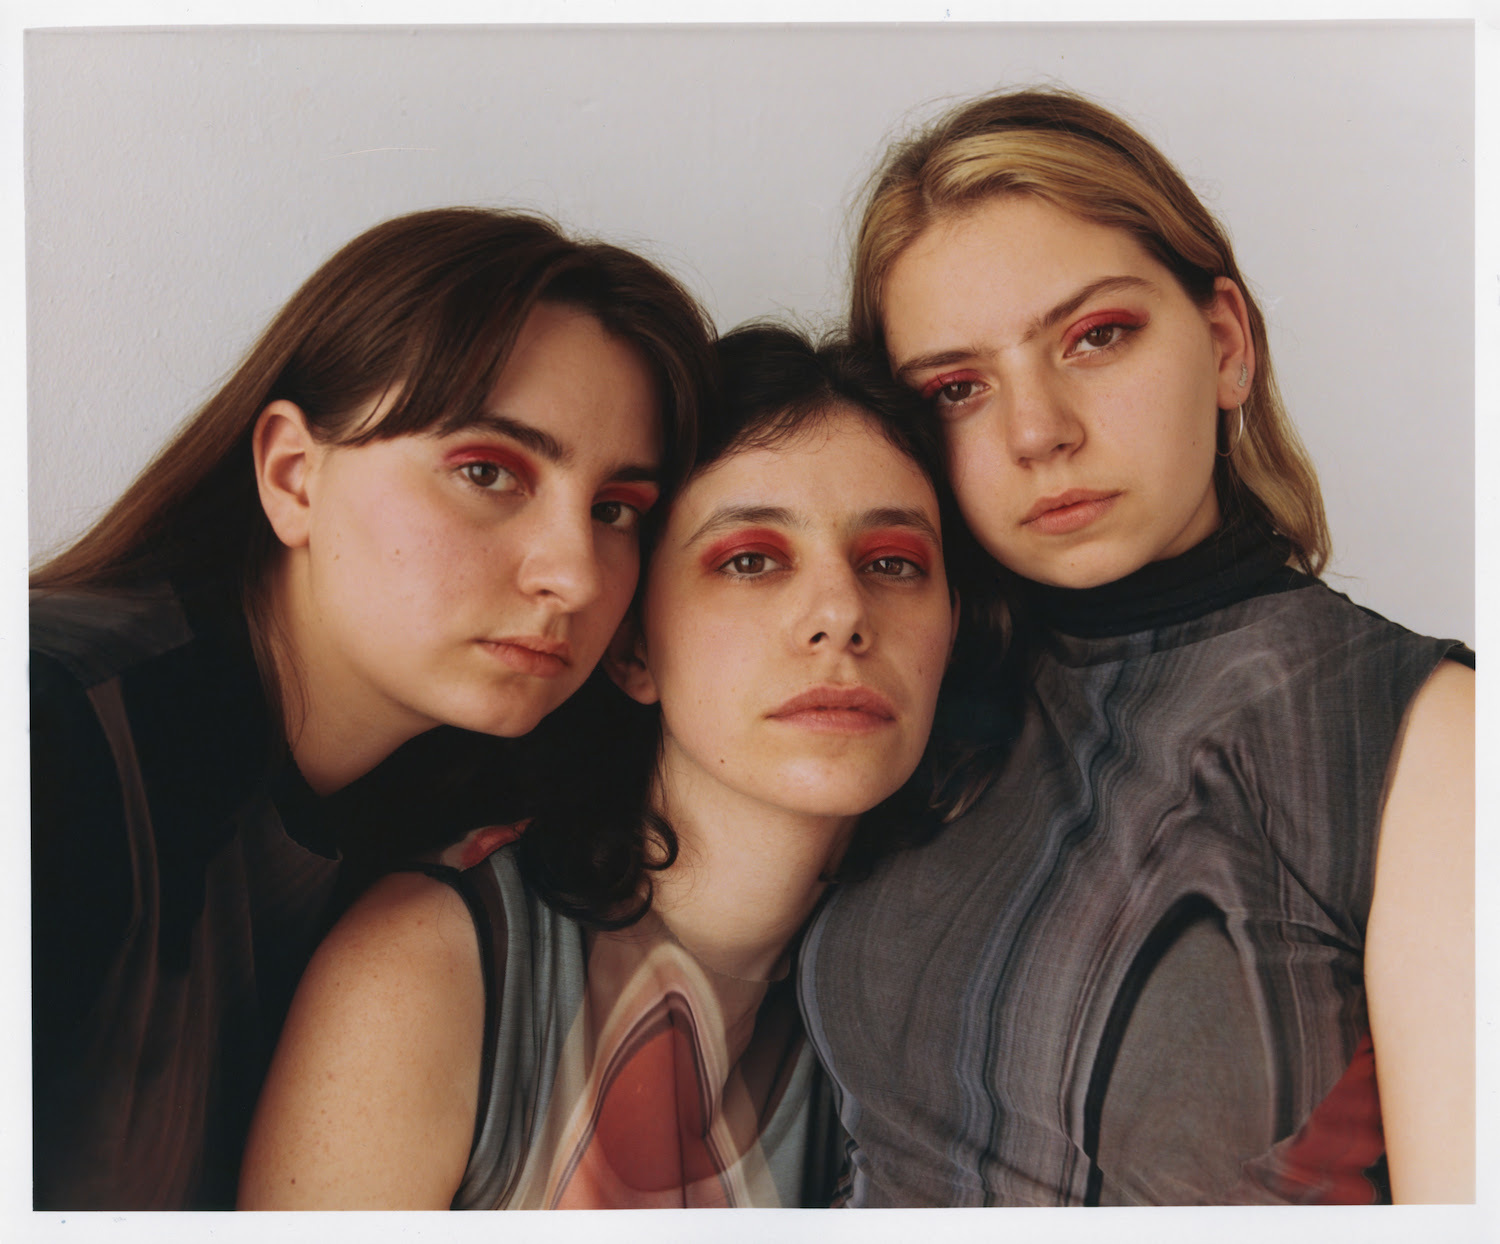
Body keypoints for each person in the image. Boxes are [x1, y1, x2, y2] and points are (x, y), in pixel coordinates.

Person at [797, 88, 1475, 1206]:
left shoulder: (1422, 736)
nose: (1038, 431)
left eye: (1096, 337)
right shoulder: (907, 694)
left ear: (1226, 345)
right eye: (959, 388)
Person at [29, 207, 716, 1209]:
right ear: (293, 476)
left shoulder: (460, 831)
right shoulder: (53, 734)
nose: (573, 574)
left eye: (616, 509)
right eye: (488, 471)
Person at [236, 325, 964, 1209]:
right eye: (750, 560)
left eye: (894, 563)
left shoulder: (937, 996)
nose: (842, 614)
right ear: (631, 650)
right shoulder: (435, 963)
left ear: (953, 628)